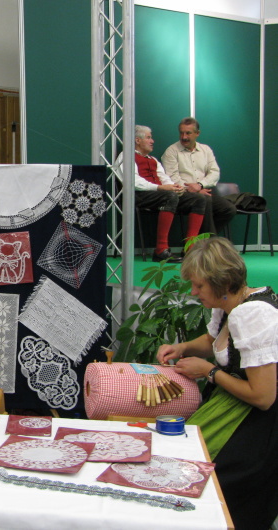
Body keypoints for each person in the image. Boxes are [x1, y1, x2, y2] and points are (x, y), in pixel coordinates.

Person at [156, 237, 278, 529]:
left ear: (221, 282)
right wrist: (182, 348)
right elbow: (213, 341)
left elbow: (264, 397)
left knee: (211, 489)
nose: (193, 292)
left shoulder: (252, 315)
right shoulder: (228, 304)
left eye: (199, 285)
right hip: (235, 408)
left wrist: (209, 372)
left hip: (257, 426)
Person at [117, 125, 206, 262]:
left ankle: (190, 248)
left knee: (198, 199)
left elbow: (164, 178)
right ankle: (161, 250)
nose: (152, 141)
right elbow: (132, 182)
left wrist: (175, 187)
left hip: (159, 194)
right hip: (137, 195)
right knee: (169, 196)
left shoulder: (153, 160)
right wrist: (160, 188)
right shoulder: (126, 156)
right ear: (137, 140)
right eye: (148, 138)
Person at [161, 117, 237, 235]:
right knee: (205, 200)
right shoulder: (171, 151)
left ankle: (200, 240)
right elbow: (171, 178)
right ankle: (208, 242)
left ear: (197, 133)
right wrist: (192, 190)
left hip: (204, 191)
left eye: (188, 133)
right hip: (182, 195)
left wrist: (200, 185)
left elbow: (215, 172)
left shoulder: (205, 150)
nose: (184, 137)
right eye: (181, 133)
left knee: (229, 209)